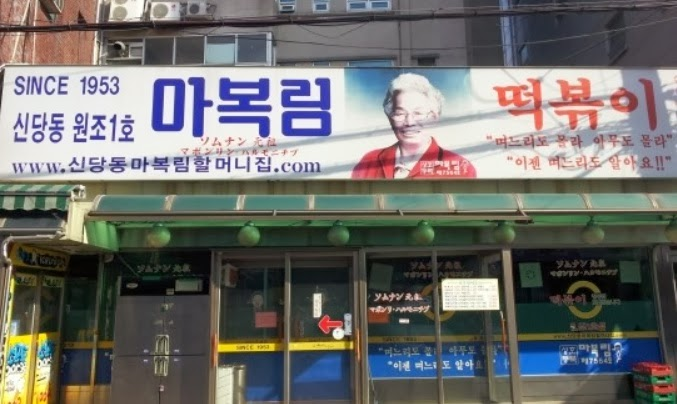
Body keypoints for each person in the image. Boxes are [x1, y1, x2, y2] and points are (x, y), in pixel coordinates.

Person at [351, 73, 476, 179]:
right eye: (400, 113)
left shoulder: (460, 167)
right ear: (390, 117)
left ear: (433, 118)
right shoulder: (369, 162)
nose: (409, 122)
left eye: (418, 113)